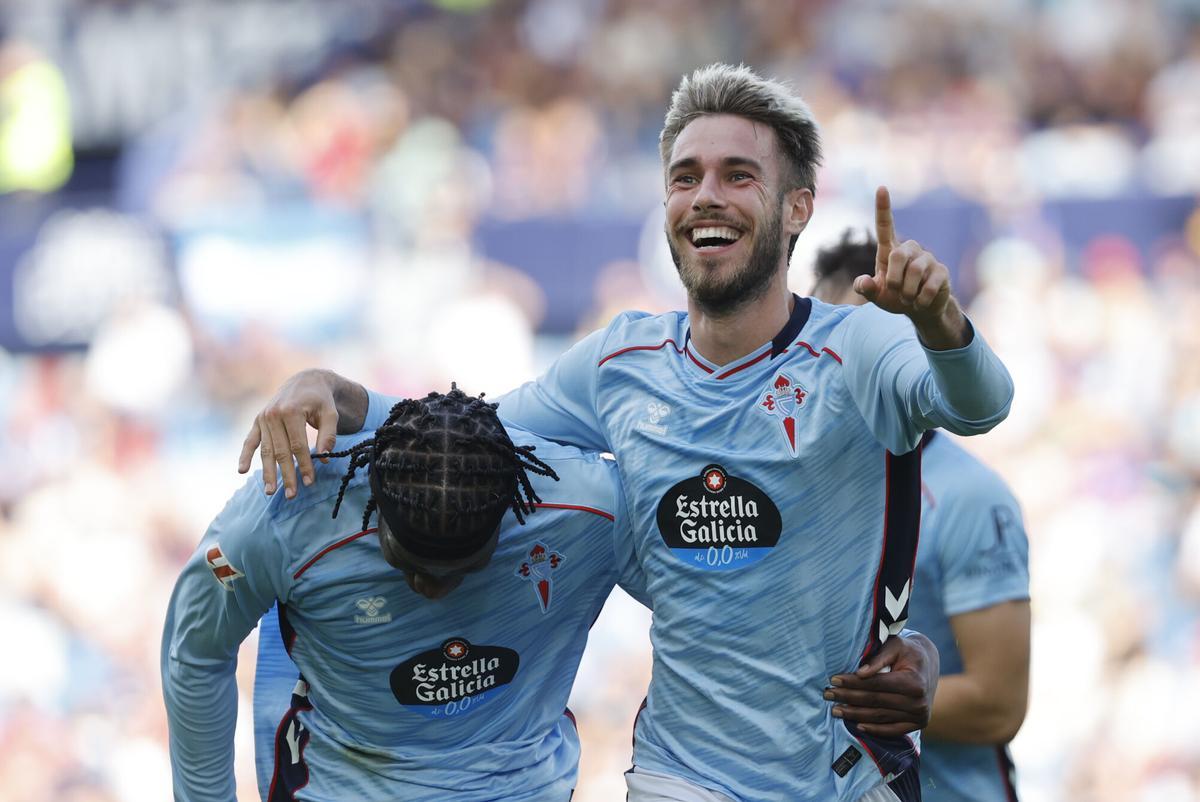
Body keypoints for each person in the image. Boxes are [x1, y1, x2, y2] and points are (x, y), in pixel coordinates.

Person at [240, 63, 1015, 802]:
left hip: (846, 769)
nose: (705, 197)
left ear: (797, 208)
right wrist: (339, 394)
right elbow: (474, 437)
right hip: (681, 772)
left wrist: (942, 323)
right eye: (686, 178)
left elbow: (982, 404)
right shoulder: (620, 361)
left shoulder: (860, 348)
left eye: (738, 176)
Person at [162, 386, 654, 801]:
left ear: (510, 513)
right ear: (371, 501)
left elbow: (707, 612)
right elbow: (198, 654)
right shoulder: (281, 521)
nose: (430, 587)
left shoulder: (592, 507)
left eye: (461, 567)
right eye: (407, 561)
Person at [812, 231, 1031, 802]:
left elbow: (999, 704)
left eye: (857, 336)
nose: (832, 359)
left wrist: (842, 699)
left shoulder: (969, 496)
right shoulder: (799, 477)